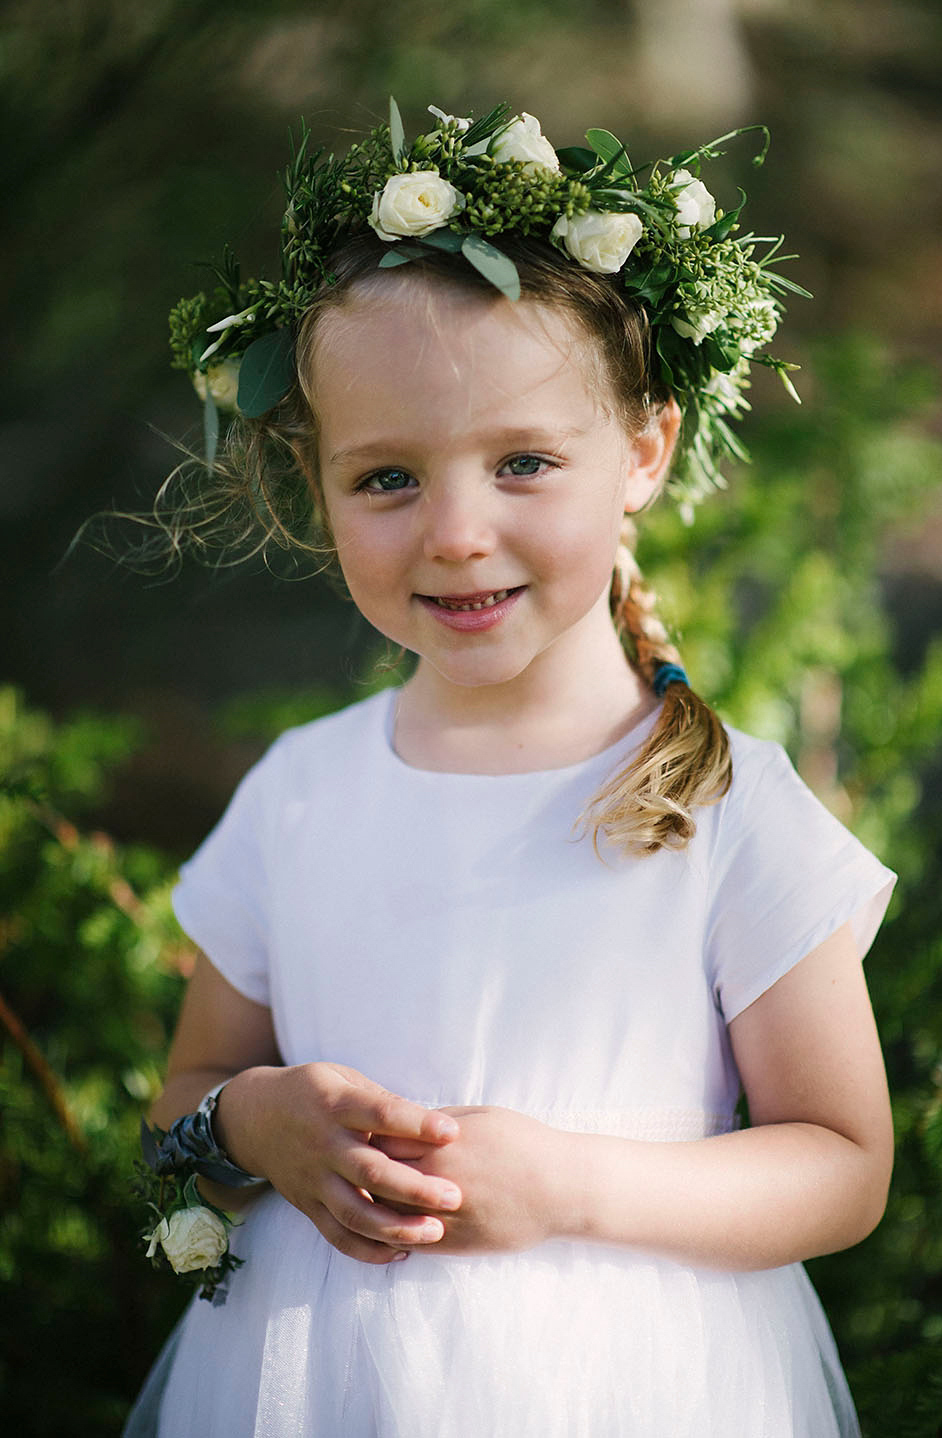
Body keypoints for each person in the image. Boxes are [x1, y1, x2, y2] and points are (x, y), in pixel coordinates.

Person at [125, 102, 896, 1437]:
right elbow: (176, 1112)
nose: (458, 532)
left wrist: (575, 1187)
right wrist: (257, 1124)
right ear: (318, 483)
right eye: (387, 480)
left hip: (632, 1381)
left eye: (525, 460)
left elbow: (842, 1163)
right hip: (320, 1388)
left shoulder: (721, 804)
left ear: (644, 452)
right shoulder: (302, 793)